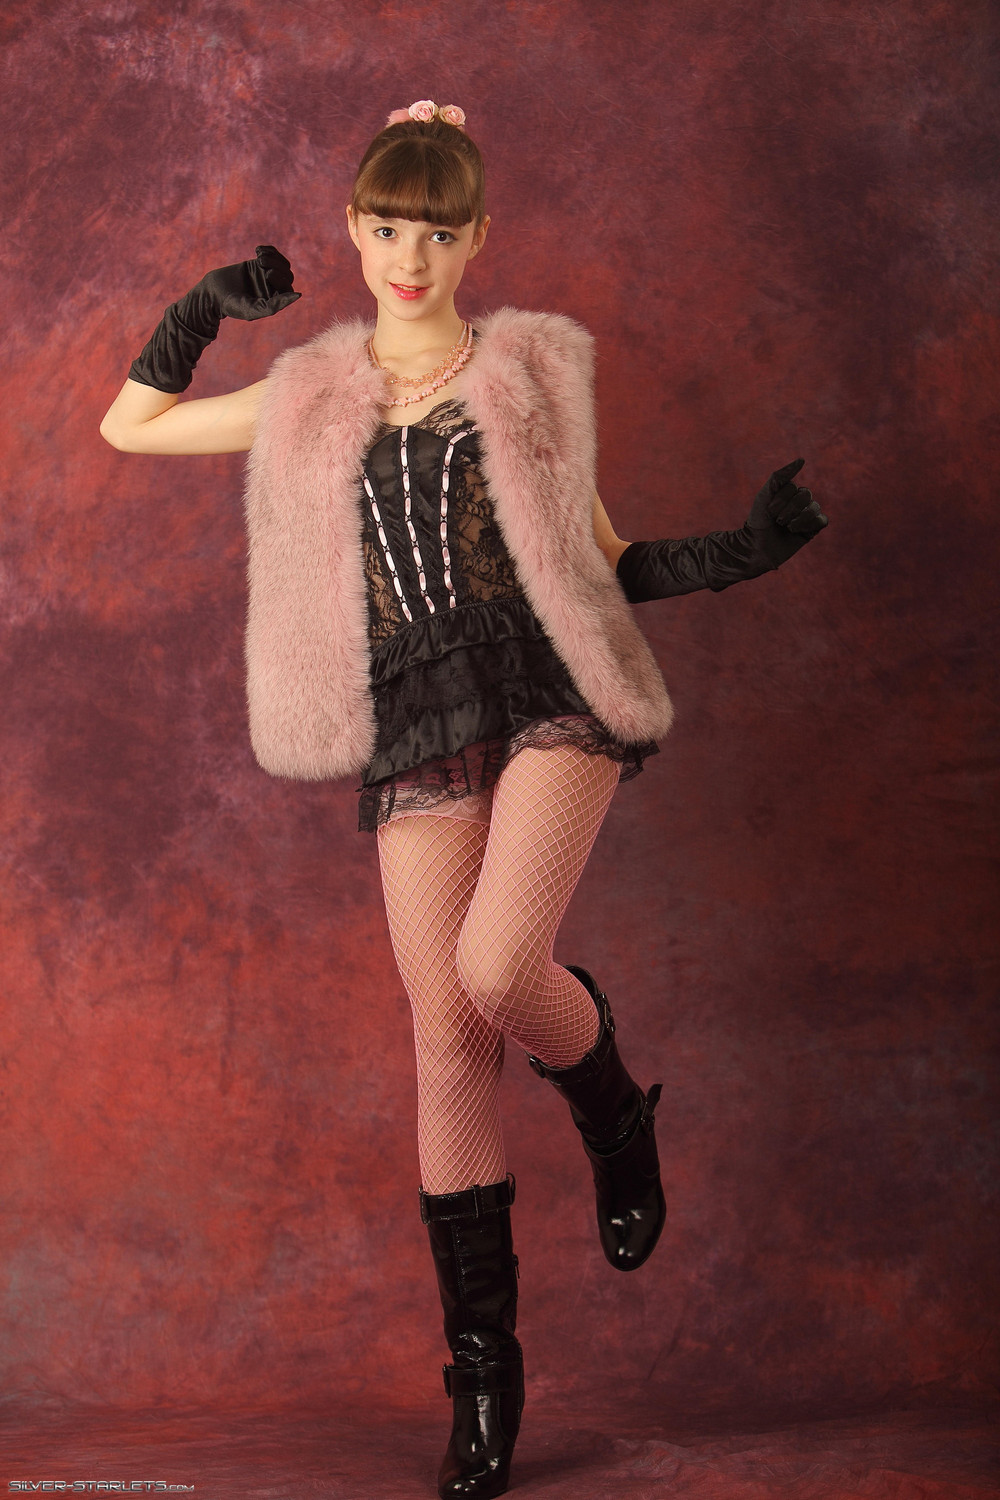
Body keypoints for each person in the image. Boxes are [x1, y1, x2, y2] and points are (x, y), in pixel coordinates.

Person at [101, 99, 827, 1500]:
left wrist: (745, 551)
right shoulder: (310, 393)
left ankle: (610, 1107)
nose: (407, 259)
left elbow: (602, 560)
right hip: (416, 724)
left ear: (479, 237)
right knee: (445, 1036)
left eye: (435, 234)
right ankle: (485, 1382)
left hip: (551, 688)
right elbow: (129, 427)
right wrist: (201, 309)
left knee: (500, 968)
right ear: (353, 230)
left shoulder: (529, 373)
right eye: (385, 229)